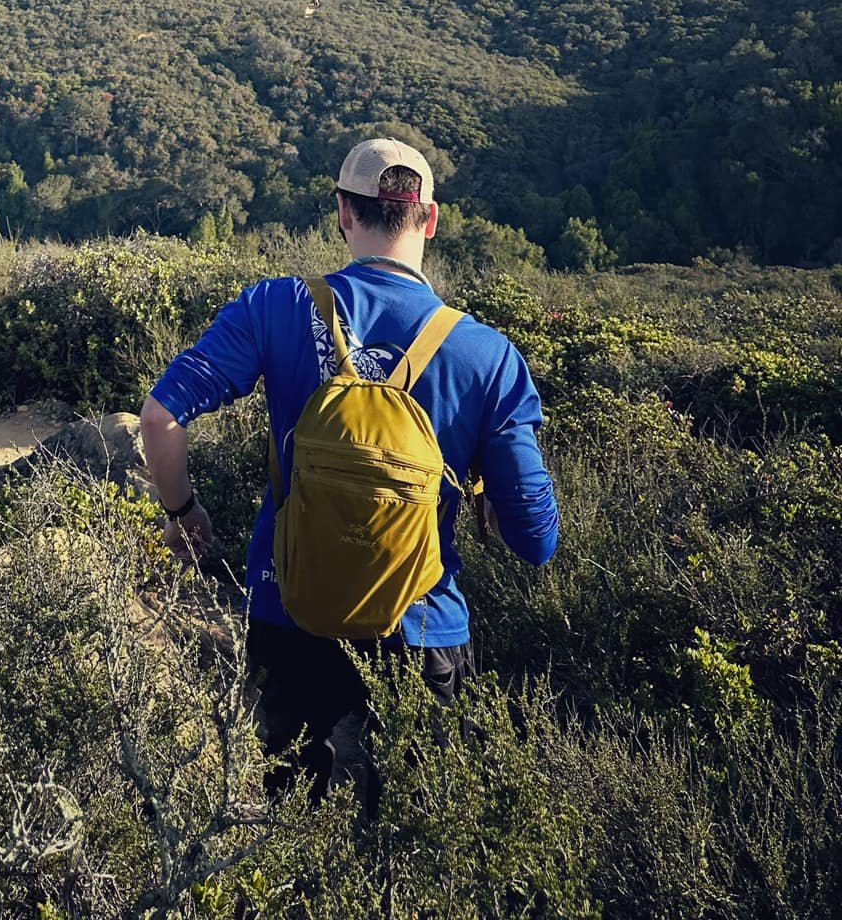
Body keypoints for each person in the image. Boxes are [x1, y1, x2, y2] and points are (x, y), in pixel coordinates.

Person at [139, 136, 559, 804]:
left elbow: (160, 420)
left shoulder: (274, 305)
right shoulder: (488, 354)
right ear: (431, 218)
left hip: (289, 618)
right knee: (415, 852)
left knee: (295, 847)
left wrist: (183, 514)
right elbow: (537, 540)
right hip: (424, 634)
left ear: (342, 211)